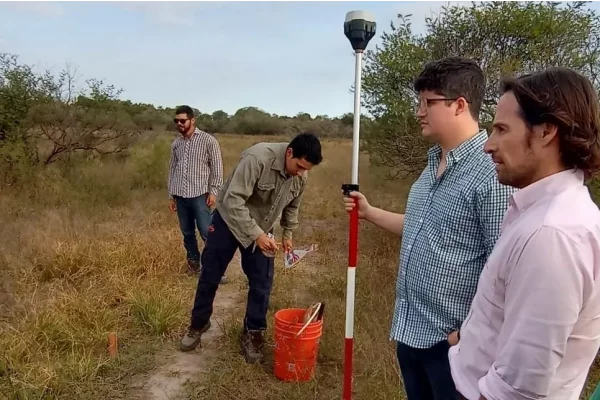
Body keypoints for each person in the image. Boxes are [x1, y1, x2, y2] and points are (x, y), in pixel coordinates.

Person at [342, 57, 515, 400]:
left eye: (427, 103)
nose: (419, 112)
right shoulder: (430, 167)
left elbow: (508, 268)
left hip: (453, 346)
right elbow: (426, 228)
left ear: (459, 105)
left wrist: (467, 334)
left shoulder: (492, 176)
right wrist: (370, 213)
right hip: (412, 331)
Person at [448, 67, 600, 400]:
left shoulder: (553, 234)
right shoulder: (546, 214)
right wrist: (472, 339)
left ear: (546, 131)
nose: (489, 146)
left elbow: (519, 388)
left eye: (502, 129)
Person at [179, 132, 323, 364]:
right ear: (289, 153)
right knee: (210, 276)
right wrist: (256, 235)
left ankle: (252, 332)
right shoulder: (257, 159)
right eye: (299, 165)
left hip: (262, 227)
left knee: (262, 283)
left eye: (307, 169)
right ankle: (198, 323)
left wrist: (287, 233)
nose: (301, 172)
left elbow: (292, 206)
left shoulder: (300, 176)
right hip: (228, 221)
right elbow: (233, 200)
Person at [168, 105, 227, 284]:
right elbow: (172, 169)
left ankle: (215, 270)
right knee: (187, 233)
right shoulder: (176, 144)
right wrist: (171, 195)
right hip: (180, 195)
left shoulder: (208, 141)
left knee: (207, 232)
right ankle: (193, 266)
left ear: (192, 120)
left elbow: (217, 168)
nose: (179, 123)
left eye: (183, 120)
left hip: (200, 195)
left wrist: (214, 192)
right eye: (176, 121)